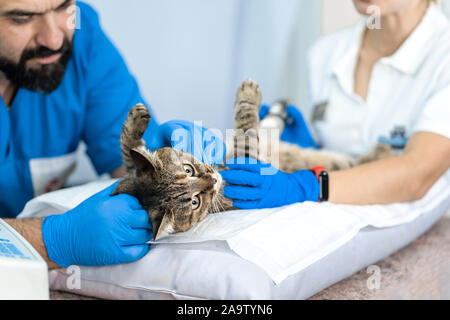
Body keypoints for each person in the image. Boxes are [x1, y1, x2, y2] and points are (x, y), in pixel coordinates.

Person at [0, 0, 223, 269]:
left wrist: (161, 163)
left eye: (64, 6)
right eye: (22, 18)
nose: (54, 39)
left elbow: (133, 162)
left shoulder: (82, 38)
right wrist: (50, 241)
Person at [222, 0, 450, 208]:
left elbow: (417, 175)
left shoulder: (443, 56)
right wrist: (308, 149)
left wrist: (306, 185)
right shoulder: (324, 54)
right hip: (330, 215)